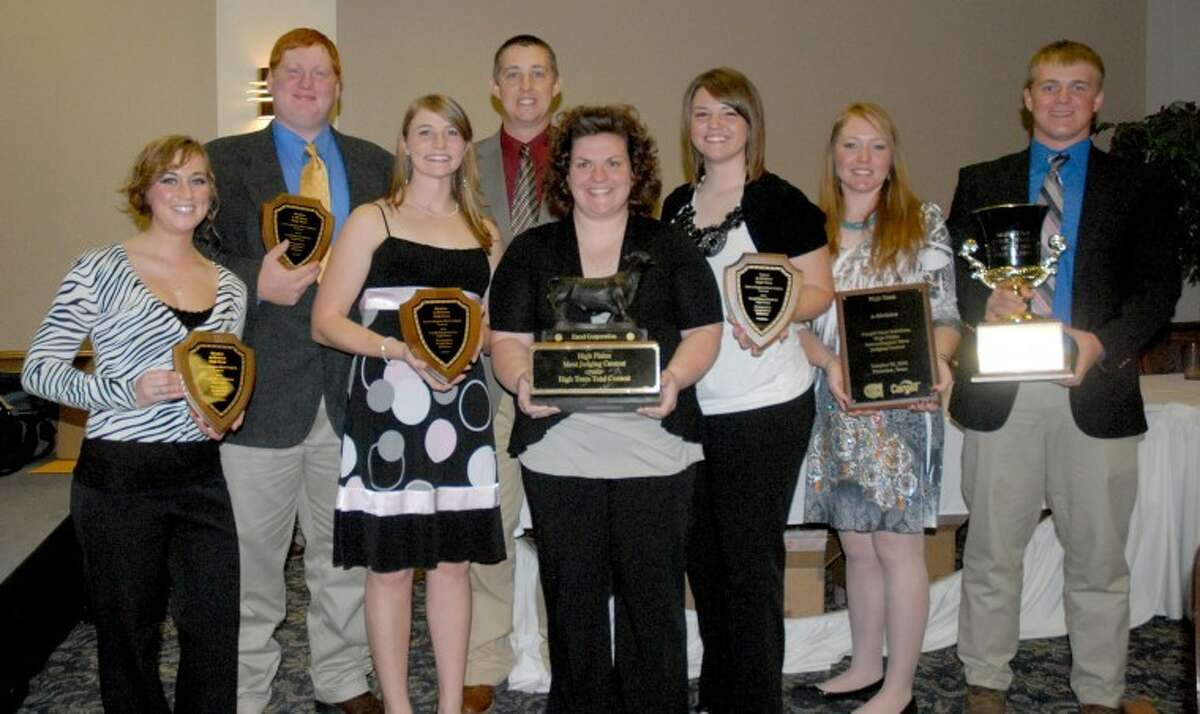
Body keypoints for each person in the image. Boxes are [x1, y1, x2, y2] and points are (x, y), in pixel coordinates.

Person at [949, 40, 1179, 713]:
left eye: (1078, 87)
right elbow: (956, 277)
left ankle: (1100, 694)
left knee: (1099, 562)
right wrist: (984, 301)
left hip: (1094, 392)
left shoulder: (1137, 187)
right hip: (1003, 394)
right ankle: (985, 682)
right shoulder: (982, 179)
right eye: (1049, 86)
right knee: (992, 553)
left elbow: (1157, 291)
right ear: (1027, 98)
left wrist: (1100, 343)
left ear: (1099, 100)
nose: (1062, 99)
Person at [488, 104, 723, 713]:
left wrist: (673, 378)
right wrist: (521, 383)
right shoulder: (532, 250)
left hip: (656, 449)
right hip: (562, 453)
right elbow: (506, 341)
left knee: (654, 605)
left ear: (634, 170)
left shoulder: (671, 246)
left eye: (612, 163)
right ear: (563, 174)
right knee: (574, 606)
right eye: (584, 163)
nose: (598, 176)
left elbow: (705, 331)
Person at [21, 135, 246, 712]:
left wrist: (229, 411)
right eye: (169, 179)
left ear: (211, 196)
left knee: (214, 632)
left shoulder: (230, 288)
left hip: (201, 476)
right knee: (129, 637)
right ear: (144, 191)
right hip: (118, 478)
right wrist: (126, 391)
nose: (184, 192)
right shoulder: (97, 268)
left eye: (198, 180)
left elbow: (222, 379)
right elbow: (39, 371)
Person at [203, 27, 392, 714]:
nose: (307, 82)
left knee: (342, 555)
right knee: (251, 561)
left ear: (339, 86)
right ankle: (245, 688)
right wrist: (257, 280)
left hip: (351, 391)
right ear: (272, 82)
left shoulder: (376, 165)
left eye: (321, 72)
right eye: (293, 71)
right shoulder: (224, 161)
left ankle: (341, 678)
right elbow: (189, 254)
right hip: (258, 392)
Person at [311, 94, 505, 714]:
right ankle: (398, 708)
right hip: (387, 407)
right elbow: (325, 321)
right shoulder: (373, 220)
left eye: (451, 131)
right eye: (425, 131)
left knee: (452, 564)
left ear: (464, 145)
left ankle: (449, 706)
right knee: (389, 568)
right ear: (404, 143)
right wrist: (395, 350)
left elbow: (493, 326)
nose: (439, 143)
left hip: (462, 408)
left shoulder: (484, 233)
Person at [659, 67, 834, 714]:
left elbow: (820, 288)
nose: (714, 125)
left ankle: (757, 701)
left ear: (751, 124)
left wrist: (781, 316)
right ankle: (721, 692)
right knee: (702, 560)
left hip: (765, 408)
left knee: (751, 565)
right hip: (694, 408)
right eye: (702, 113)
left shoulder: (779, 201)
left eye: (729, 114)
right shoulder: (676, 205)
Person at [796, 103, 962, 714]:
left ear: (894, 157)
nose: (863, 161)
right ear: (833, 155)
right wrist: (828, 363)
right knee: (856, 544)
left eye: (877, 147)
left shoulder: (922, 223)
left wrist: (940, 359)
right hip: (836, 405)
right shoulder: (811, 228)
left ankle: (900, 685)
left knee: (898, 549)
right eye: (850, 147)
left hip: (904, 408)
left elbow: (945, 317)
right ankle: (865, 664)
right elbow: (796, 324)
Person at [467, 33, 559, 713]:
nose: (525, 87)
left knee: (567, 519)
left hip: (567, 370)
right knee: (490, 517)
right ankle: (485, 653)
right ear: (495, 87)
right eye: (512, 75)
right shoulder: (461, 165)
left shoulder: (590, 160)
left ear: (556, 85)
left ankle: (568, 646)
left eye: (537, 74)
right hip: (483, 366)